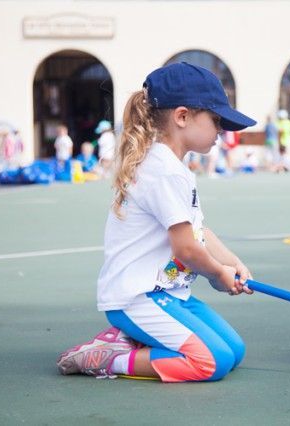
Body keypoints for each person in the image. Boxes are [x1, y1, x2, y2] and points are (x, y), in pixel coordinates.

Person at [56, 62, 257, 383]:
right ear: (182, 117)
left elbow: (197, 231)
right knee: (210, 362)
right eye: (216, 120)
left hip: (169, 293)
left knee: (233, 351)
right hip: (137, 296)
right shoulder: (162, 170)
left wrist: (233, 262)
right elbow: (187, 248)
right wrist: (219, 274)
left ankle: (132, 339)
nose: (221, 131)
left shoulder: (174, 167)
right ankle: (112, 358)